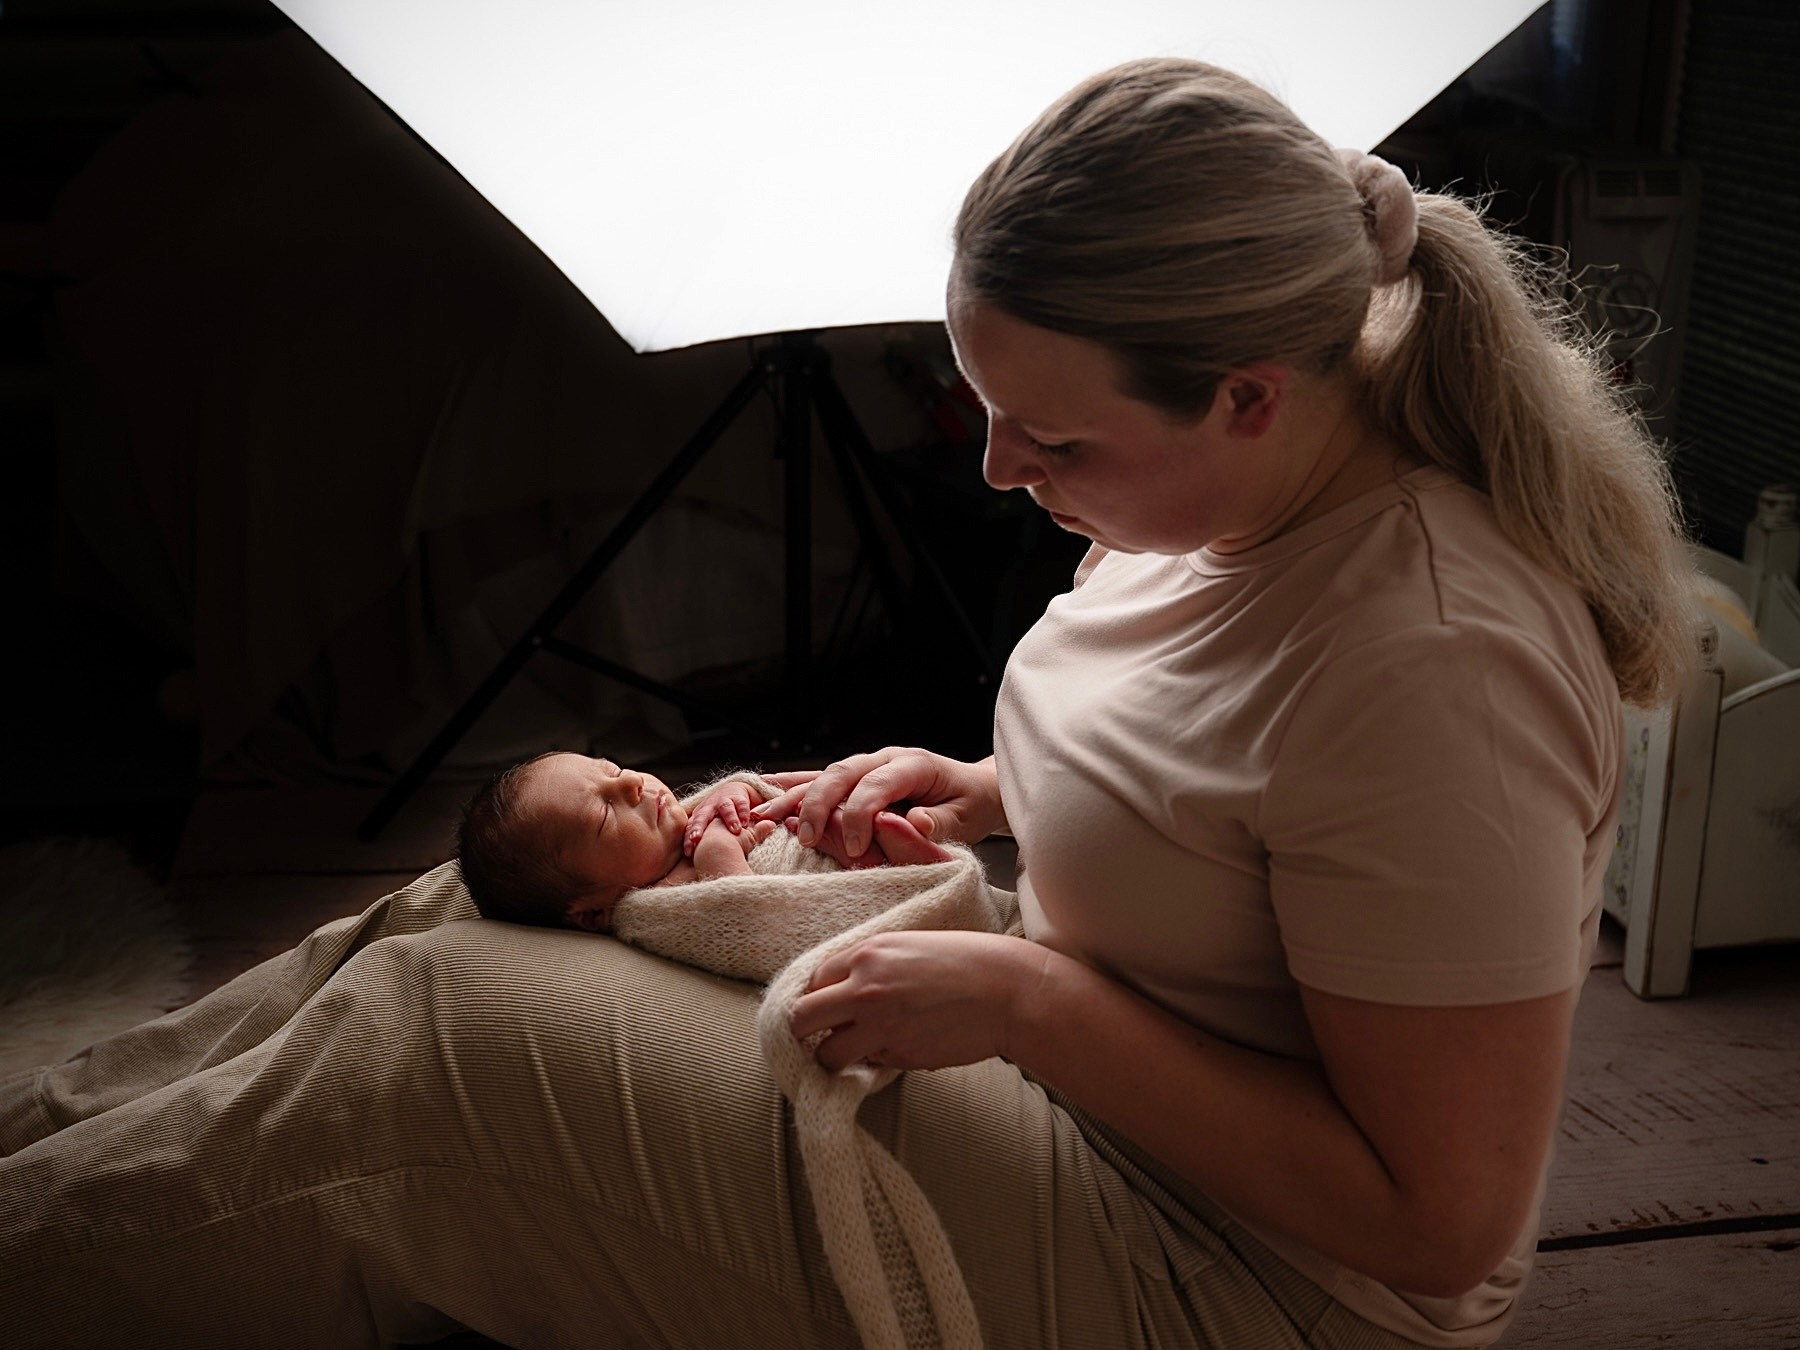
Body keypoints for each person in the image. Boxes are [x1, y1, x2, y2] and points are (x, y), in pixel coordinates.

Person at [0, 57, 1693, 1349]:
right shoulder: (1231, 496)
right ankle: (42, 1133)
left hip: (1232, 1277)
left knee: (450, 1043)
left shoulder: (1436, 668)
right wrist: (986, 785)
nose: (996, 464)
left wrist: (1027, 1004)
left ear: (1247, 395)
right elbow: (1229, 773)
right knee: (511, 870)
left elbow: (1438, 1226)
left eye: (1052, 438)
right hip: (1097, 1081)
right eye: (981, 401)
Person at [453, 752, 952, 933]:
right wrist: (720, 851)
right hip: (862, 912)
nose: (632, 784)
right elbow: (753, 924)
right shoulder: (653, 910)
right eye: (605, 813)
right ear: (591, 912)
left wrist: (737, 791)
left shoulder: (680, 822)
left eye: (613, 769)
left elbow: (756, 786)